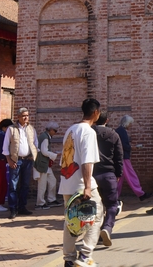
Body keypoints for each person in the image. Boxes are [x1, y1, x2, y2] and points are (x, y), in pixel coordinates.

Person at [58, 98, 103, 267]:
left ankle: (69, 258)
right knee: (96, 216)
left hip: (67, 183)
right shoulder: (89, 132)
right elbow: (87, 161)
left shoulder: (71, 129)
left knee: (71, 221)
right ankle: (85, 255)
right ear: (96, 113)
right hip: (81, 185)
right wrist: (88, 186)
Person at [92, 111, 123, 248]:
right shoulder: (114, 134)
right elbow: (119, 156)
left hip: (92, 174)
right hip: (109, 173)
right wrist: (118, 173)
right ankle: (107, 227)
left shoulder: (90, 133)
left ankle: (95, 233)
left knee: (95, 206)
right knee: (112, 204)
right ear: (107, 120)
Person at [2, 107, 38, 219]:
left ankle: (22, 207)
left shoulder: (31, 129)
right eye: (23, 115)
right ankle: (13, 208)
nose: (26, 117)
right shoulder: (11, 129)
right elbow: (5, 146)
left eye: (27, 115)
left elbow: (35, 143)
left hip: (27, 160)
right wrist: (9, 160)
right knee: (13, 185)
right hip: (16, 160)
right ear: (18, 117)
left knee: (25, 185)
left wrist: (33, 154)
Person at [115, 115, 153, 201]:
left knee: (119, 178)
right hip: (124, 158)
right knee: (131, 176)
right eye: (130, 124)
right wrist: (132, 148)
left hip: (120, 157)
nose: (130, 126)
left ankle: (114, 196)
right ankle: (140, 193)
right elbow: (123, 145)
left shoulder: (119, 130)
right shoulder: (122, 131)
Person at [35, 121, 62, 209]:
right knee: (42, 184)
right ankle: (40, 203)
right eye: (55, 131)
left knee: (52, 181)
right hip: (42, 164)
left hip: (45, 164)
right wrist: (54, 155)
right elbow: (44, 151)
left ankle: (51, 199)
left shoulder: (45, 136)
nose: (55, 132)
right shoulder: (45, 138)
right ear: (50, 130)